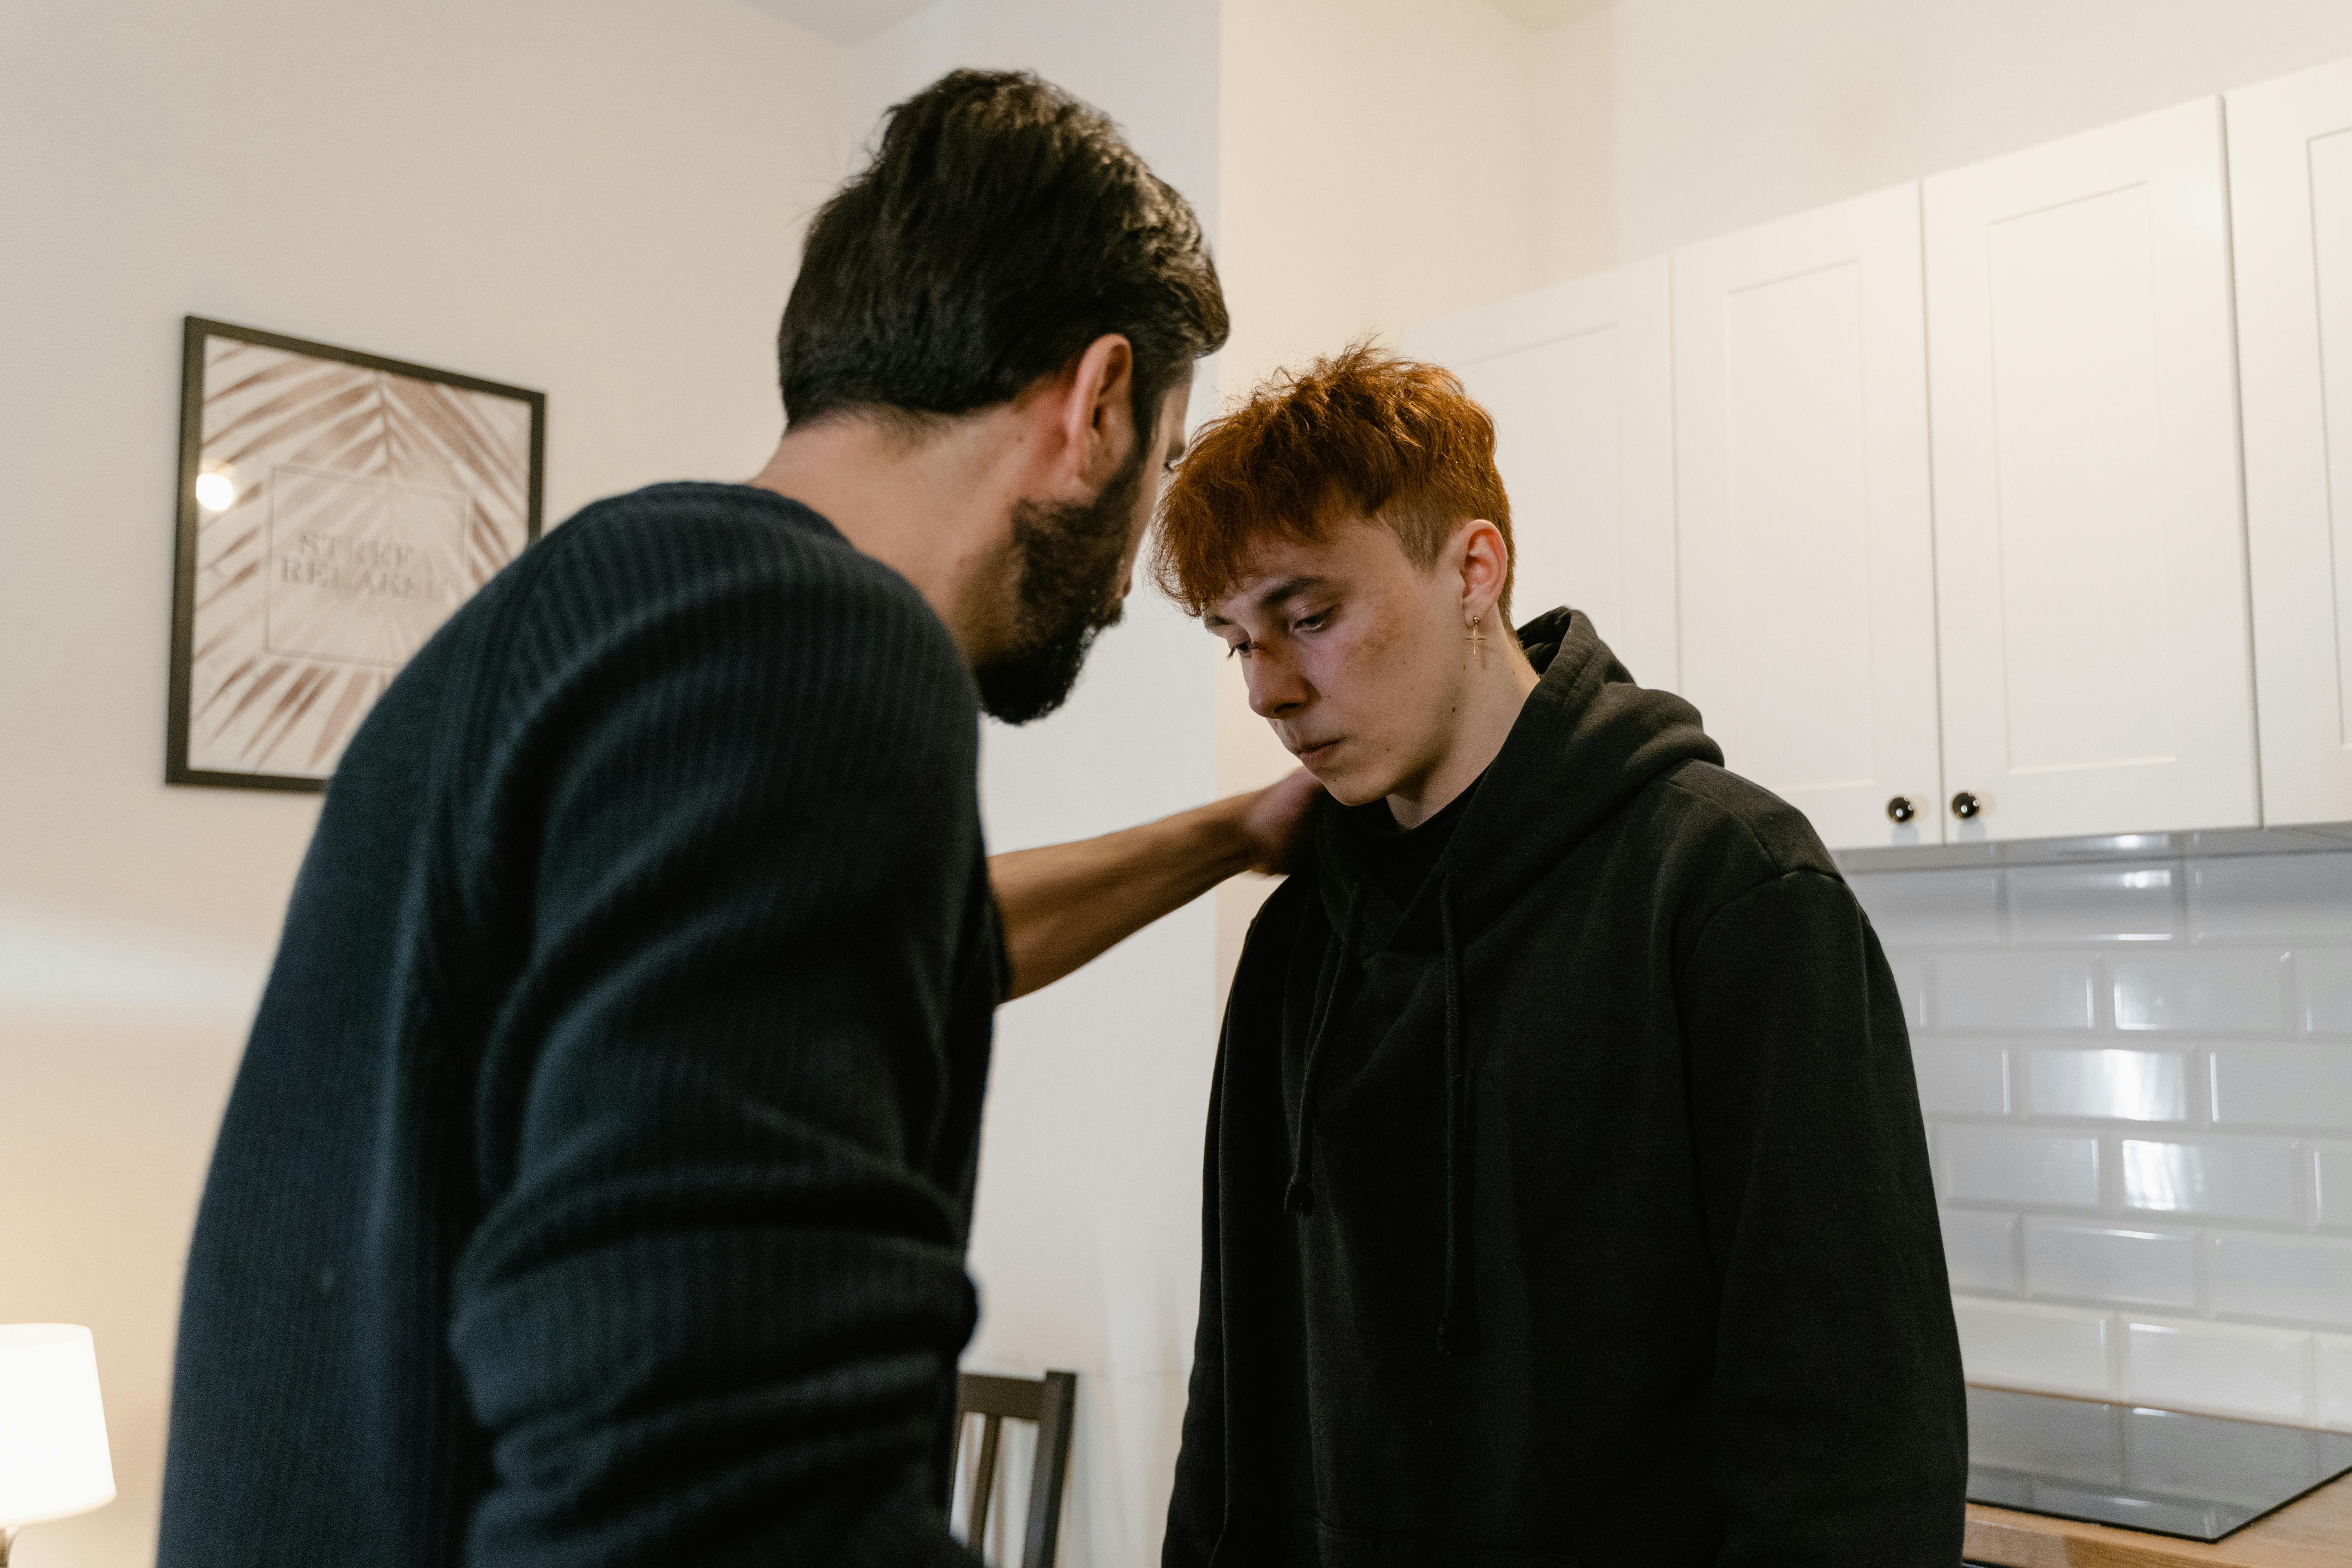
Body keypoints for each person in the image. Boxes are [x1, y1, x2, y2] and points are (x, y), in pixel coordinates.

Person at [159, 70, 1315, 1568]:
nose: (1124, 572)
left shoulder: (596, 619)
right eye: (1161, 466)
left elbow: (930, 943)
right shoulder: (813, 648)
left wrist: (1232, 834)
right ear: (1095, 404)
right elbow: (714, 1504)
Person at [1153, 345, 1967, 1567]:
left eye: (1310, 617)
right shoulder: (1298, 939)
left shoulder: (1728, 888)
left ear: (1471, 569)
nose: (1268, 689)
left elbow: (1851, 1426)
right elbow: (1239, 1380)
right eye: (1237, 641)